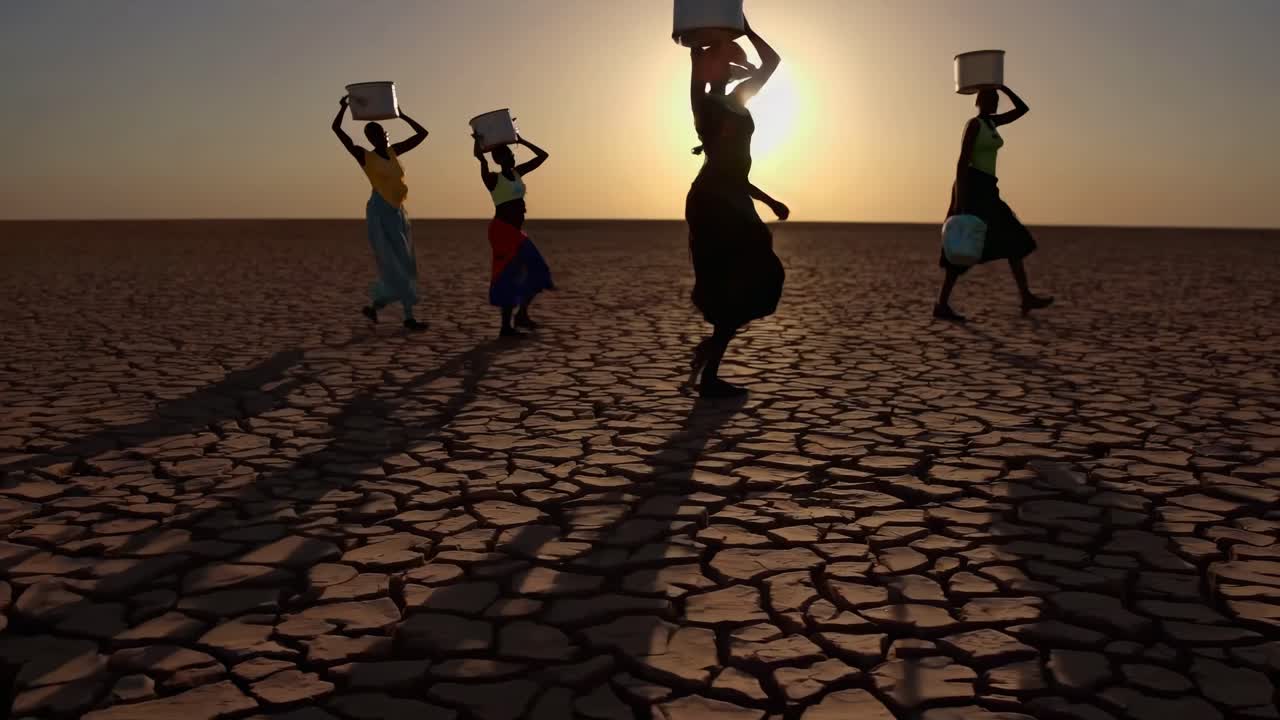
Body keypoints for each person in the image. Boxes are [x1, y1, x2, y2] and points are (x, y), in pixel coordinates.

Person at [685, 17, 789, 399]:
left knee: (760, 274)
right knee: (734, 278)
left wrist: (744, 28)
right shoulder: (703, 103)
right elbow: (697, 64)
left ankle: (713, 349)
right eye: (726, 62)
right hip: (712, 201)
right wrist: (706, 47)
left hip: (732, 196)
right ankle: (711, 374)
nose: (732, 67)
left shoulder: (740, 98)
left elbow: (772, 62)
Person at [935, 85, 1053, 323]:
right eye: (990, 98)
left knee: (1014, 238)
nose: (995, 102)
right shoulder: (975, 125)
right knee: (964, 242)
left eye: (996, 99)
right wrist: (959, 202)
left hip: (989, 188)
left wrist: (1003, 87)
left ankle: (1026, 296)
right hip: (973, 186)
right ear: (979, 101)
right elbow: (961, 163)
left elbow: (1022, 109)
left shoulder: (992, 124)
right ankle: (942, 304)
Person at [332, 96, 430, 331]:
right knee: (393, 264)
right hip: (380, 211)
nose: (380, 137)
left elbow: (422, 134)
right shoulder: (364, 156)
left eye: (382, 133)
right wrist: (344, 109)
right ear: (369, 139)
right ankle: (408, 318)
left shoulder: (394, 151)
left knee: (405, 263)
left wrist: (402, 114)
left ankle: (375, 307)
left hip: (397, 212)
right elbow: (337, 130)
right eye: (374, 135)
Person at [473, 134, 555, 338]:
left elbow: (542, 156)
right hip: (502, 231)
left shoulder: (518, 173)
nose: (512, 158)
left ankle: (522, 315)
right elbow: (479, 158)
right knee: (508, 274)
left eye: (511, 154)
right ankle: (506, 327)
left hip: (516, 233)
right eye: (508, 155)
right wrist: (478, 141)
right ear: (499, 160)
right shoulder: (493, 179)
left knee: (538, 270)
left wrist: (522, 141)